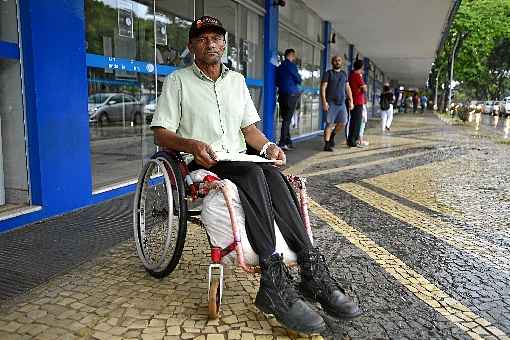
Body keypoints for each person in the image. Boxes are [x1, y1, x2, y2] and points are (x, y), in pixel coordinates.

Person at [150, 16, 362, 334]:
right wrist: (190, 143)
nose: (210, 43)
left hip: (238, 157)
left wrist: (269, 148)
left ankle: (310, 270)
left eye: (216, 37)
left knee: (275, 175)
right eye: (202, 38)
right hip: (201, 160)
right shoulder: (178, 81)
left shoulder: (236, 81)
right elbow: (161, 133)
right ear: (192, 45)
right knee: (251, 173)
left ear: (224, 44)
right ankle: (272, 278)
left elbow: (249, 130)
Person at [320, 55, 353, 151]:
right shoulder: (328, 73)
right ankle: (327, 145)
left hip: (342, 103)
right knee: (330, 123)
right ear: (332, 62)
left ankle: (332, 136)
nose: (337, 62)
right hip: (331, 103)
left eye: (339, 60)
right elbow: (323, 88)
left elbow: (348, 88)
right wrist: (324, 102)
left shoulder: (344, 74)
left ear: (341, 62)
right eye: (335, 60)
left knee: (343, 122)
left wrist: (351, 100)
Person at [276, 49, 302, 151]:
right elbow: (298, 79)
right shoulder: (291, 66)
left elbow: (277, 81)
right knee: (287, 119)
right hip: (291, 94)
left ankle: (288, 141)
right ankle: (282, 142)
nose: (294, 58)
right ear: (291, 55)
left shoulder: (280, 67)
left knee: (285, 119)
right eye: (294, 56)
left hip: (282, 94)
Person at [347, 60, 368, 147]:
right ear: (361, 67)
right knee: (357, 122)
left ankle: (351, 140)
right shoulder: (357, 76)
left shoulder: (351, 75)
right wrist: (364, 87)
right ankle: (353, 141)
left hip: (353, 101)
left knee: (353, 121)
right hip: (357, 102)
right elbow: (365, 89)